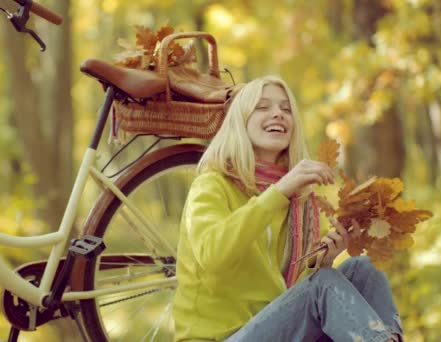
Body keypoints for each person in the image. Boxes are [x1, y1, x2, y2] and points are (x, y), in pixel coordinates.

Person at [172, 75, 403, 341]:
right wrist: (278, 192)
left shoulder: (300, 201)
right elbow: (213, 256)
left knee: (364, 269)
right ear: (240, 121)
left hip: (271, 330)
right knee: (322, 286)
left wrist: (324, 260)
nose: (277, 114)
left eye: (286, 109)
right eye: (263, 107)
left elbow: (292, 294)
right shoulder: (211, 185)